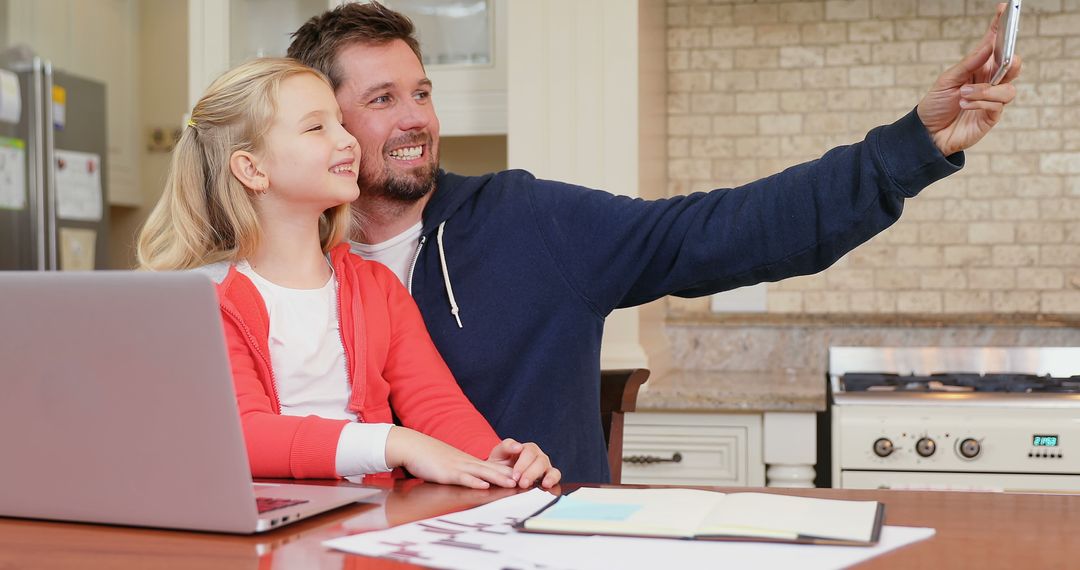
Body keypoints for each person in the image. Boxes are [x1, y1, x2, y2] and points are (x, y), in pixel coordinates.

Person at [287, 3, 1021, 483]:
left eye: (422, 92)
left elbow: (723, 230)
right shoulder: (290, 268)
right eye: (383, 100)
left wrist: (910, 147)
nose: (416, 118)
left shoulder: (527, 221)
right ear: (323, 121)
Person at [136, 58, 560, 490]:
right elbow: (242, 435)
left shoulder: (377, 289)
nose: (348, 140)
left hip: (367, 525)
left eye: (340, 122)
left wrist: (494, 459)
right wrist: (395, 442)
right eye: (316, 127)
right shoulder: (204, 298)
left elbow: (437, 406)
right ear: (252, 169)